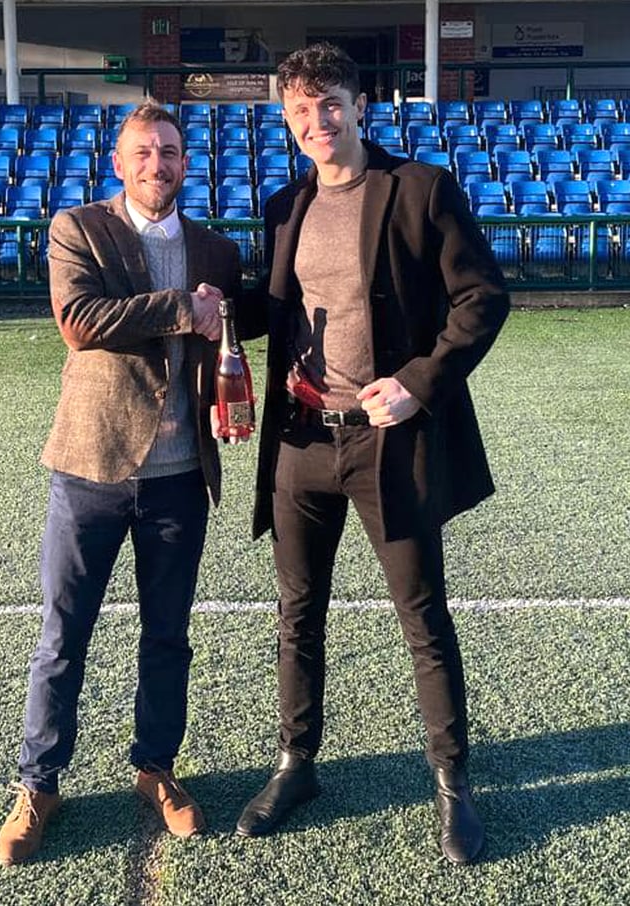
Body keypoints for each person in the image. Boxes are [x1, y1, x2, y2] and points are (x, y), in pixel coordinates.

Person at [232, 43, 510, 864]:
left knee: (422, 617)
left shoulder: (419, 188)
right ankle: (297, 764)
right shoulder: (285, 204)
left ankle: (452, 783)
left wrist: (419, 383)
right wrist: (212, 308)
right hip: (300, 438)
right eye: (300, 110)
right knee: (297, 614)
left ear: (360, 106)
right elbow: (280, 308)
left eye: (330, 104)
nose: (316, 121)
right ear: (286, 119)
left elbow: (482, 297)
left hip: (390, 441)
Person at [0, 103, 241, 866]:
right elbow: (80, 319)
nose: (157, 164)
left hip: (180, 477)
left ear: (185, 162)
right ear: (119, 162)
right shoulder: (79, 228)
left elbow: (234, 324)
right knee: (63, 637)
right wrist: (184, 308)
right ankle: (39, 784)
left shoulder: (215, 249)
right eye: (144, 152)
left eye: (169, 151)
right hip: (91, 468)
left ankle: (155, 767)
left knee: (168, 636)